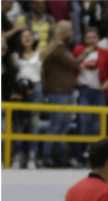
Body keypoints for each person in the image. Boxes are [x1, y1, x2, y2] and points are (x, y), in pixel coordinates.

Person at [73, 27, 108, 166]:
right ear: (84, 39)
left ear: (98, 39)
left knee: (97, 125)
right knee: (84, 121)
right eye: (88, 38)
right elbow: (72, 64)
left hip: (99, 92)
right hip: (84, 90)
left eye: (94, 38)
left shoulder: (104, 52)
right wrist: (83, 54)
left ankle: (95, 154)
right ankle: (81, 154)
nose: (91, 40)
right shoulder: (78, 49)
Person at [41, 20, 79, 168]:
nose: (72, 33)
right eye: (70, 30)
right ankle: (47, 157)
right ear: (63, 32)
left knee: (63, 126)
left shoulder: (60, 47)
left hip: (66, 91)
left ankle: (58, 157)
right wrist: (87, 53)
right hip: (58, 92)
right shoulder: (57, 47)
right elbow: (74, 64)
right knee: (56, 126)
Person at [11, 28, 43, 169]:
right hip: (19, 89)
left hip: (35, 88)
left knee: (34, 124)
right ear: (20, 39)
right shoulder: (14, 56)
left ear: (34, 38)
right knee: (18, 124)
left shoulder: (39, 54)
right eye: (24, 36)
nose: (27, 38)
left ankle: (32, 156)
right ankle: (17, 156)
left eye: (29, 36)